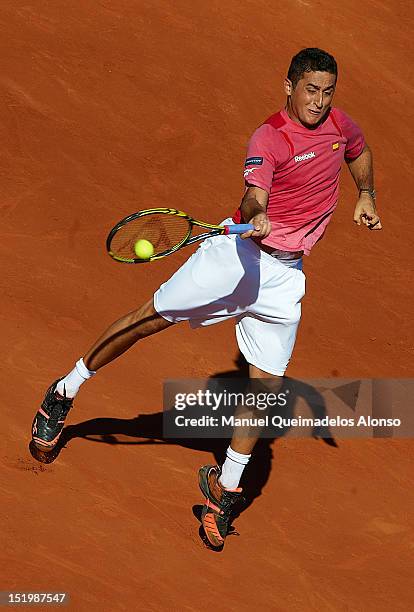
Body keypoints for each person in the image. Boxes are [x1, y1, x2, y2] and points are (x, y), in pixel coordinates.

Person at [31, 48, 381, 549]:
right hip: (236, 261)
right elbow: (253, 193)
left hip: (285, 279)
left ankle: (225, 488)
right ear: (288, 86)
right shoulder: (270, 138)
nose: (319, 102)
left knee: (267, 392)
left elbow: (357, 149)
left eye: (327, 92)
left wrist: (366, 193)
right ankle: (65, 390)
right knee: (148, 320)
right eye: (310, 90)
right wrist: (255, 212)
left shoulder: (339, 125)